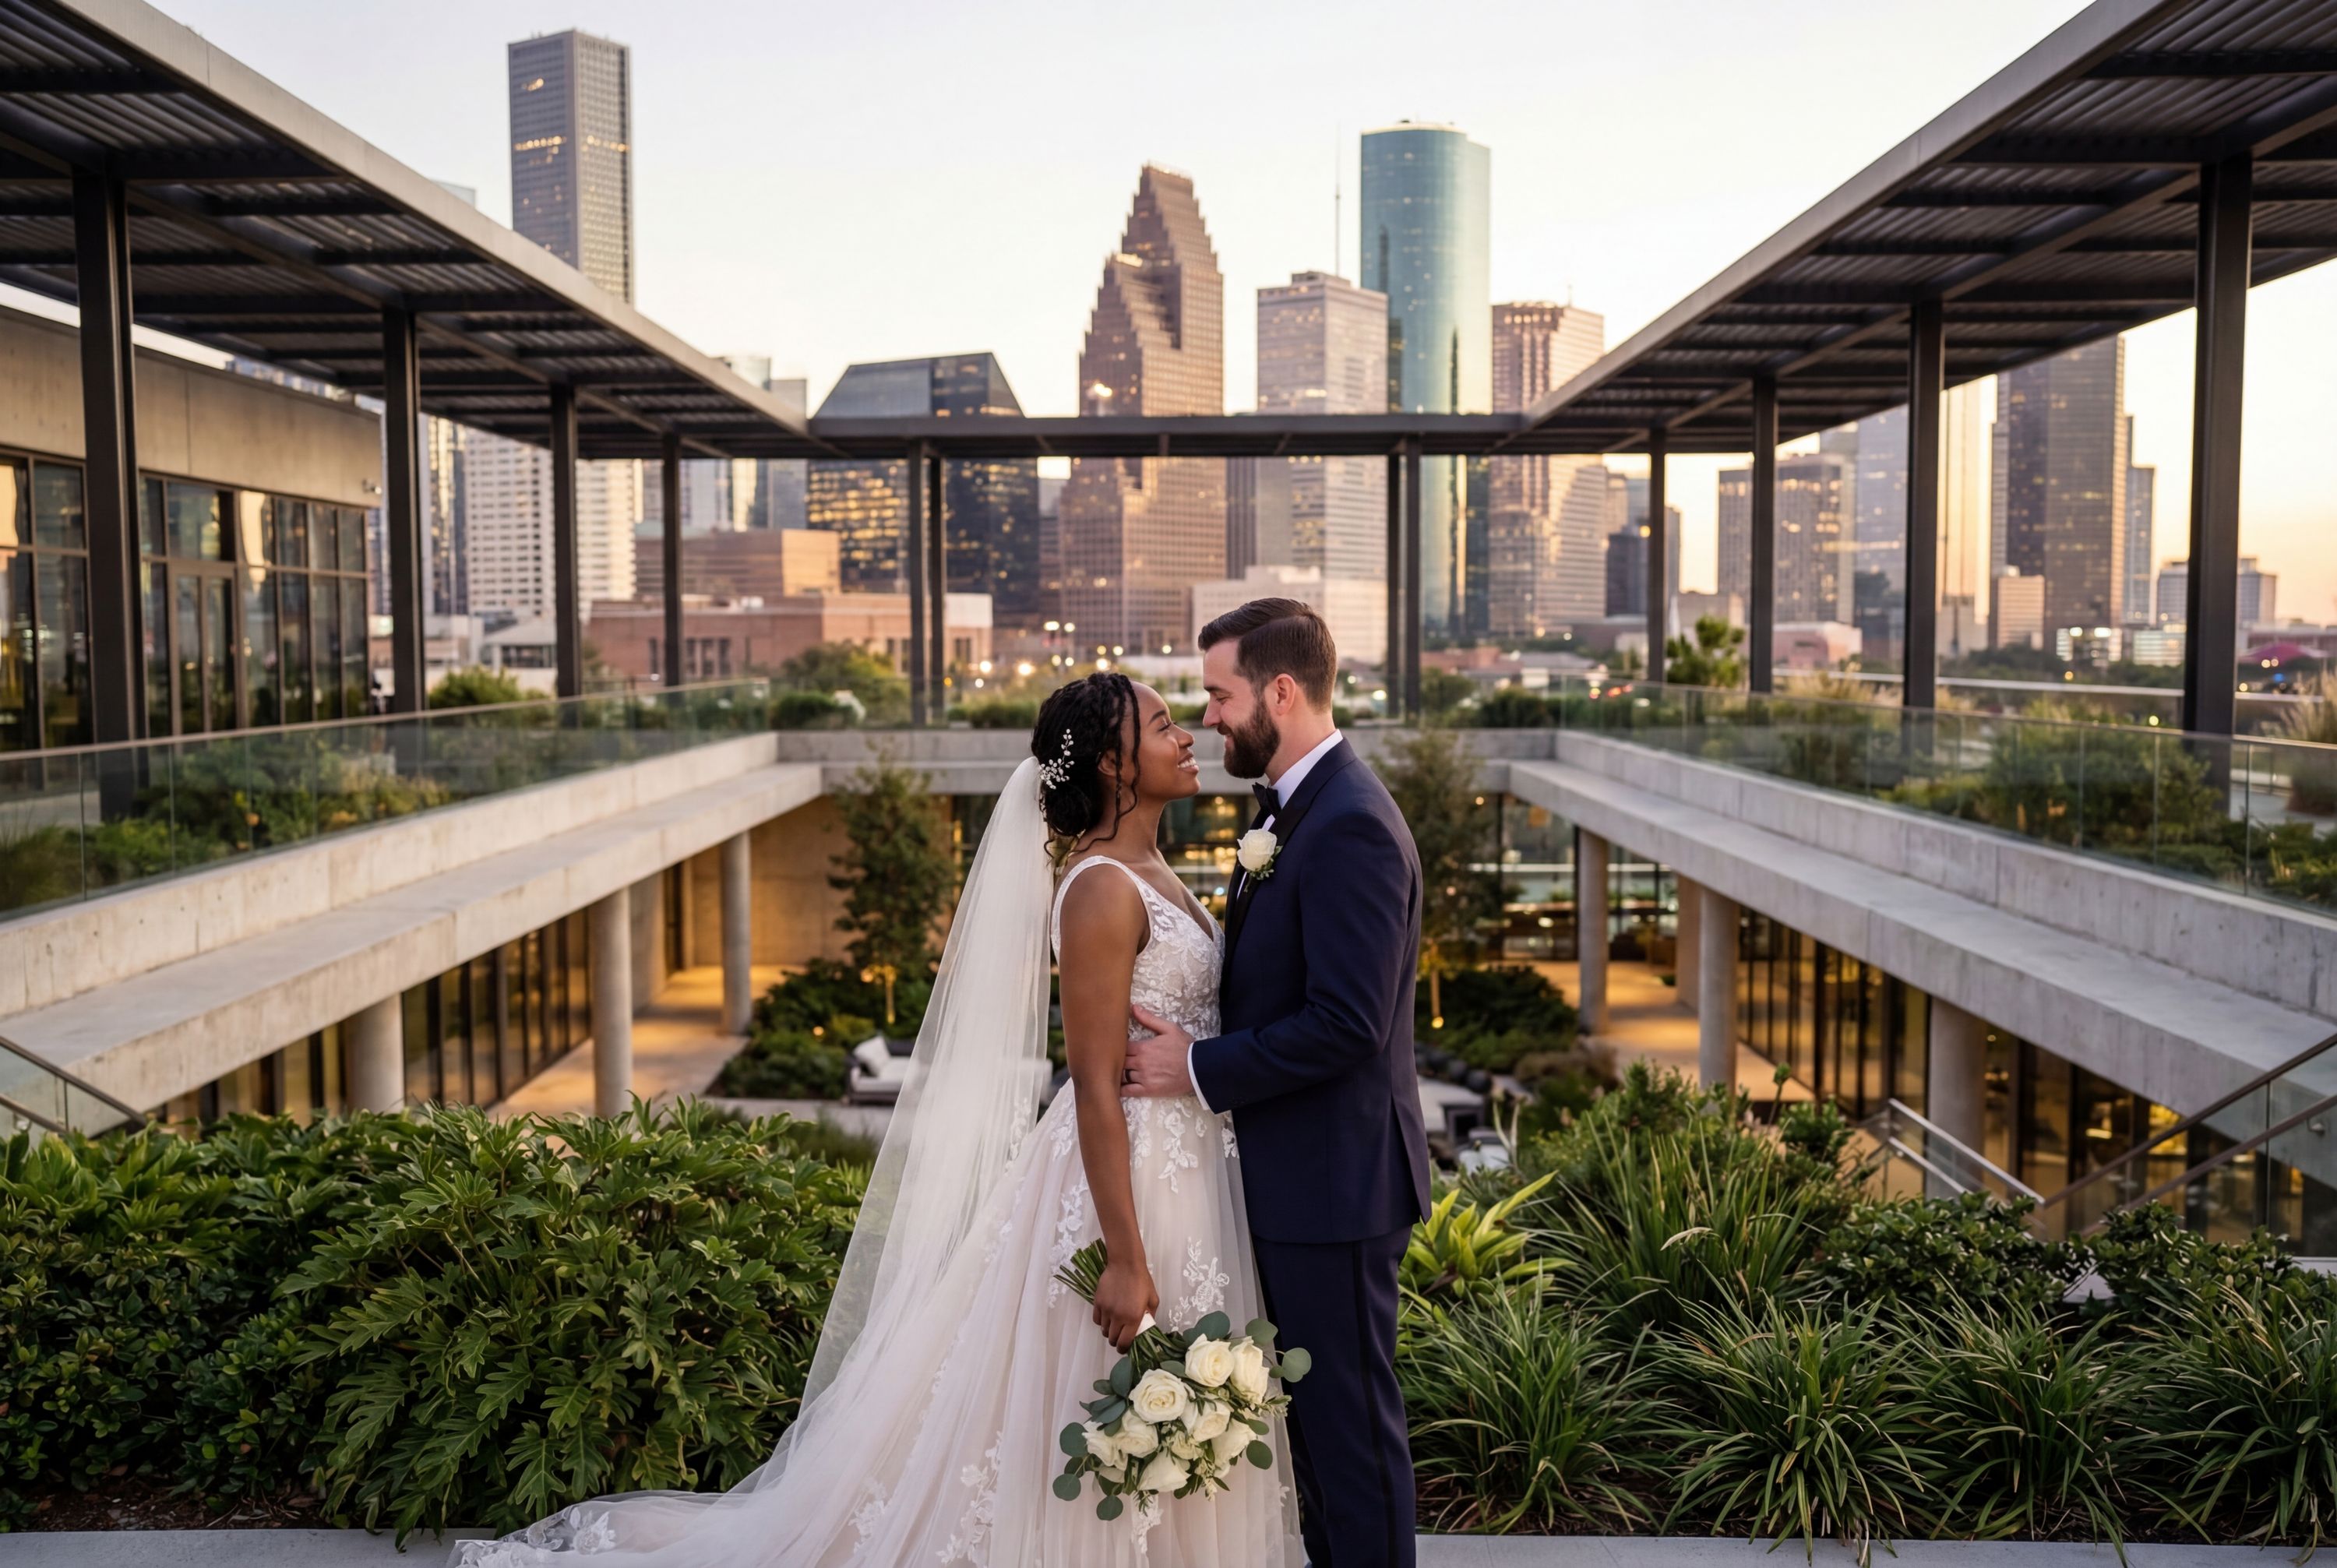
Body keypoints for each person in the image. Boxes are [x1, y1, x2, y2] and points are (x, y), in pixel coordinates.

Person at [456, 672, 1299, 1567]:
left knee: (1170, 1410)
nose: (1188, 738)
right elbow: (1091, 1084)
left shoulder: (1154, 867)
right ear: (1112, 764)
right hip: (1122, 1182)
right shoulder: (1098, 888)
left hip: (1187, 1165)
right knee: (1106, 1404)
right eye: (1165, 726)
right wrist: (1125, 1257)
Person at [1123, 597, 1432, 1568]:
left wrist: (1199, 1066)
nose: (1207, 715)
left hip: (1337, 1188)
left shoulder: (1349, 826)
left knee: (1351, 1441)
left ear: (1282, 692)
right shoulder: (1295, 812)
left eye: (1220, 694)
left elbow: (1350, 1022)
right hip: (1300, 1181)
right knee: (1317, 1444)